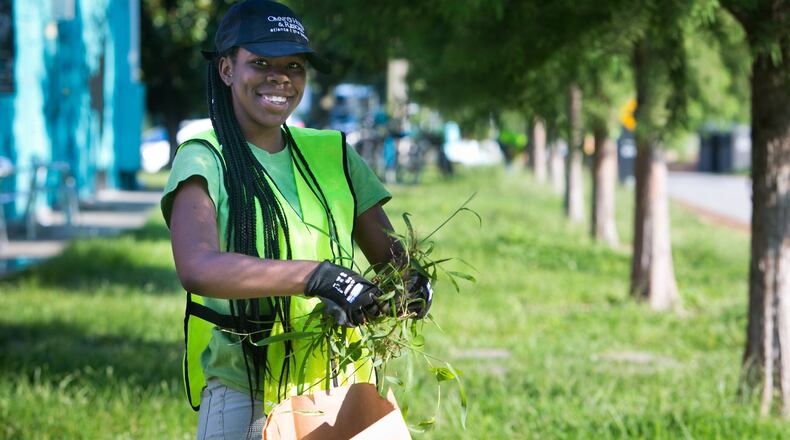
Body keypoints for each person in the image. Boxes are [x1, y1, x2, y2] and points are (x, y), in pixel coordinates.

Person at [160, 1, 432, 438]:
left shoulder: (334, 154)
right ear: (227, 69)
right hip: (245, 393)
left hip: (340, 391)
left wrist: (411, 286)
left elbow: (391, 262)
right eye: (261, 62)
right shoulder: (206, 157)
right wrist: (317, 277)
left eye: (294, 65)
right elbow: (197, 267)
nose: (280, 77)